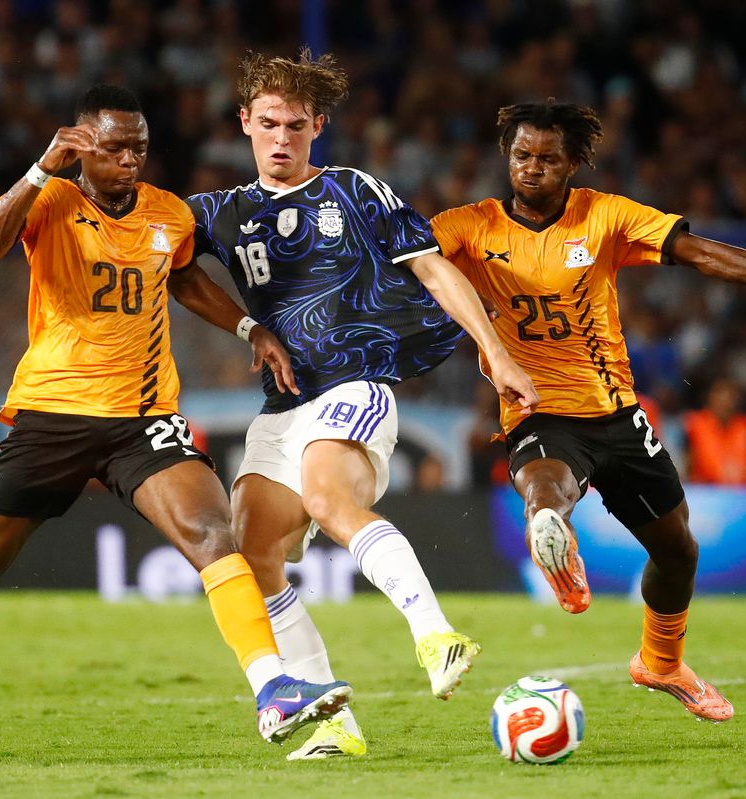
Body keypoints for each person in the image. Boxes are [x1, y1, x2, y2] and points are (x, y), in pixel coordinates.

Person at [0, 85, 353, 749]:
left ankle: (272, 688)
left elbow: (185, 278)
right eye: (114, 147)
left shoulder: (167, 212)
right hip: (52, 414)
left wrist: (248, 325)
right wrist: (37, 170)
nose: (130, 158)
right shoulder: (52, 200)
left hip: (143, 419)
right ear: (81, 146)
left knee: (213, 533)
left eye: (138, 146)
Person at [432, 100, 746, 722]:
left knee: (679, 551)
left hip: (617, 412)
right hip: (536, 407)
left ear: (573, 163)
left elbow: (697, 251)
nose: (532, 169)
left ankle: (660, 661)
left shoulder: (604, 216)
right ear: (507, 156)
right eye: (522, 156)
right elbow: (407, 265)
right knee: (545, 484)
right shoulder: (468, 226)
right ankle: (552, 529)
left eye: (549, 159)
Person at [185, 51, 539, 759]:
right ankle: (334, 724)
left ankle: (436, 635)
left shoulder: (353, 190)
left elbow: (433, 266)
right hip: (281, 406)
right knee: (252, 554)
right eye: (267, 124)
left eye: (294, 124)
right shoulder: (221, 214)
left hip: (355, 385)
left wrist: (495, 353)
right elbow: (171, 267)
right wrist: (247, 326)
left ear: (317, 126)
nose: (280, 137)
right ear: (244, 125)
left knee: (328, 498)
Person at [683, 378, 746, 485]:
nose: (725, 402)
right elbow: (686, 465)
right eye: (719, 394)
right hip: (704, 493)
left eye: (730, 397)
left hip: (744, 494)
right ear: (709, 398)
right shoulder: (694, 424)